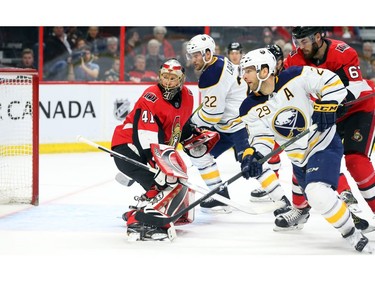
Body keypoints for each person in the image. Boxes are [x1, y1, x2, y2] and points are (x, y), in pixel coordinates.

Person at [239, 47, 373, 253]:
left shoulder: (295, 76)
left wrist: (328, 103)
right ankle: (325, 208)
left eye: (248, 70)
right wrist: (253, 155)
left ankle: (351, 233)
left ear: (264, 70)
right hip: (298, 157)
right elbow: (261, 137)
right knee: (314, 196)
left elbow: (331, 82)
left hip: (323, 143)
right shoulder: (248, 107)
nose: (244, 76)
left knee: (316, 192)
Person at [278, 26, 375, 229]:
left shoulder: (343, 52)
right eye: (297, 42)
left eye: (304, 41)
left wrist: (335, 103)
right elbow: (285, 86)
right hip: (325, 115)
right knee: (303, 157)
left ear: (318, 37)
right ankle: (301, 208)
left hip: (358, 110)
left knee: (356, 161)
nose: (299, 47)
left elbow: (356, 87)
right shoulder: (294, 59)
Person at [185, 34, 291, 213]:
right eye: (192, 55)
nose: (193, 59)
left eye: (197, 55)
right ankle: (219, 196)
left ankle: (283, 202)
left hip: (241, 124)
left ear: (208, 53)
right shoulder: (217, 62)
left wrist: (189, 124)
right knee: (198, 152)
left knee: (251, 162)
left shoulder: (211, 74)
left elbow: (212, 114)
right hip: (226, 125)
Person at [111, 58, 197, 241]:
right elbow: (144, 136)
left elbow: (181, 125)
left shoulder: (188, 96)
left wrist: (194, 137)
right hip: (129, 147)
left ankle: (145, 208)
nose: (167, 81)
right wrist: (156, 163)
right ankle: (139, 221)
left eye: (172, 78)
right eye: (165, 77)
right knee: (164, 183)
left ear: (181, 80)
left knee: (172, 183)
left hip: (153, 150)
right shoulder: (151, 96)